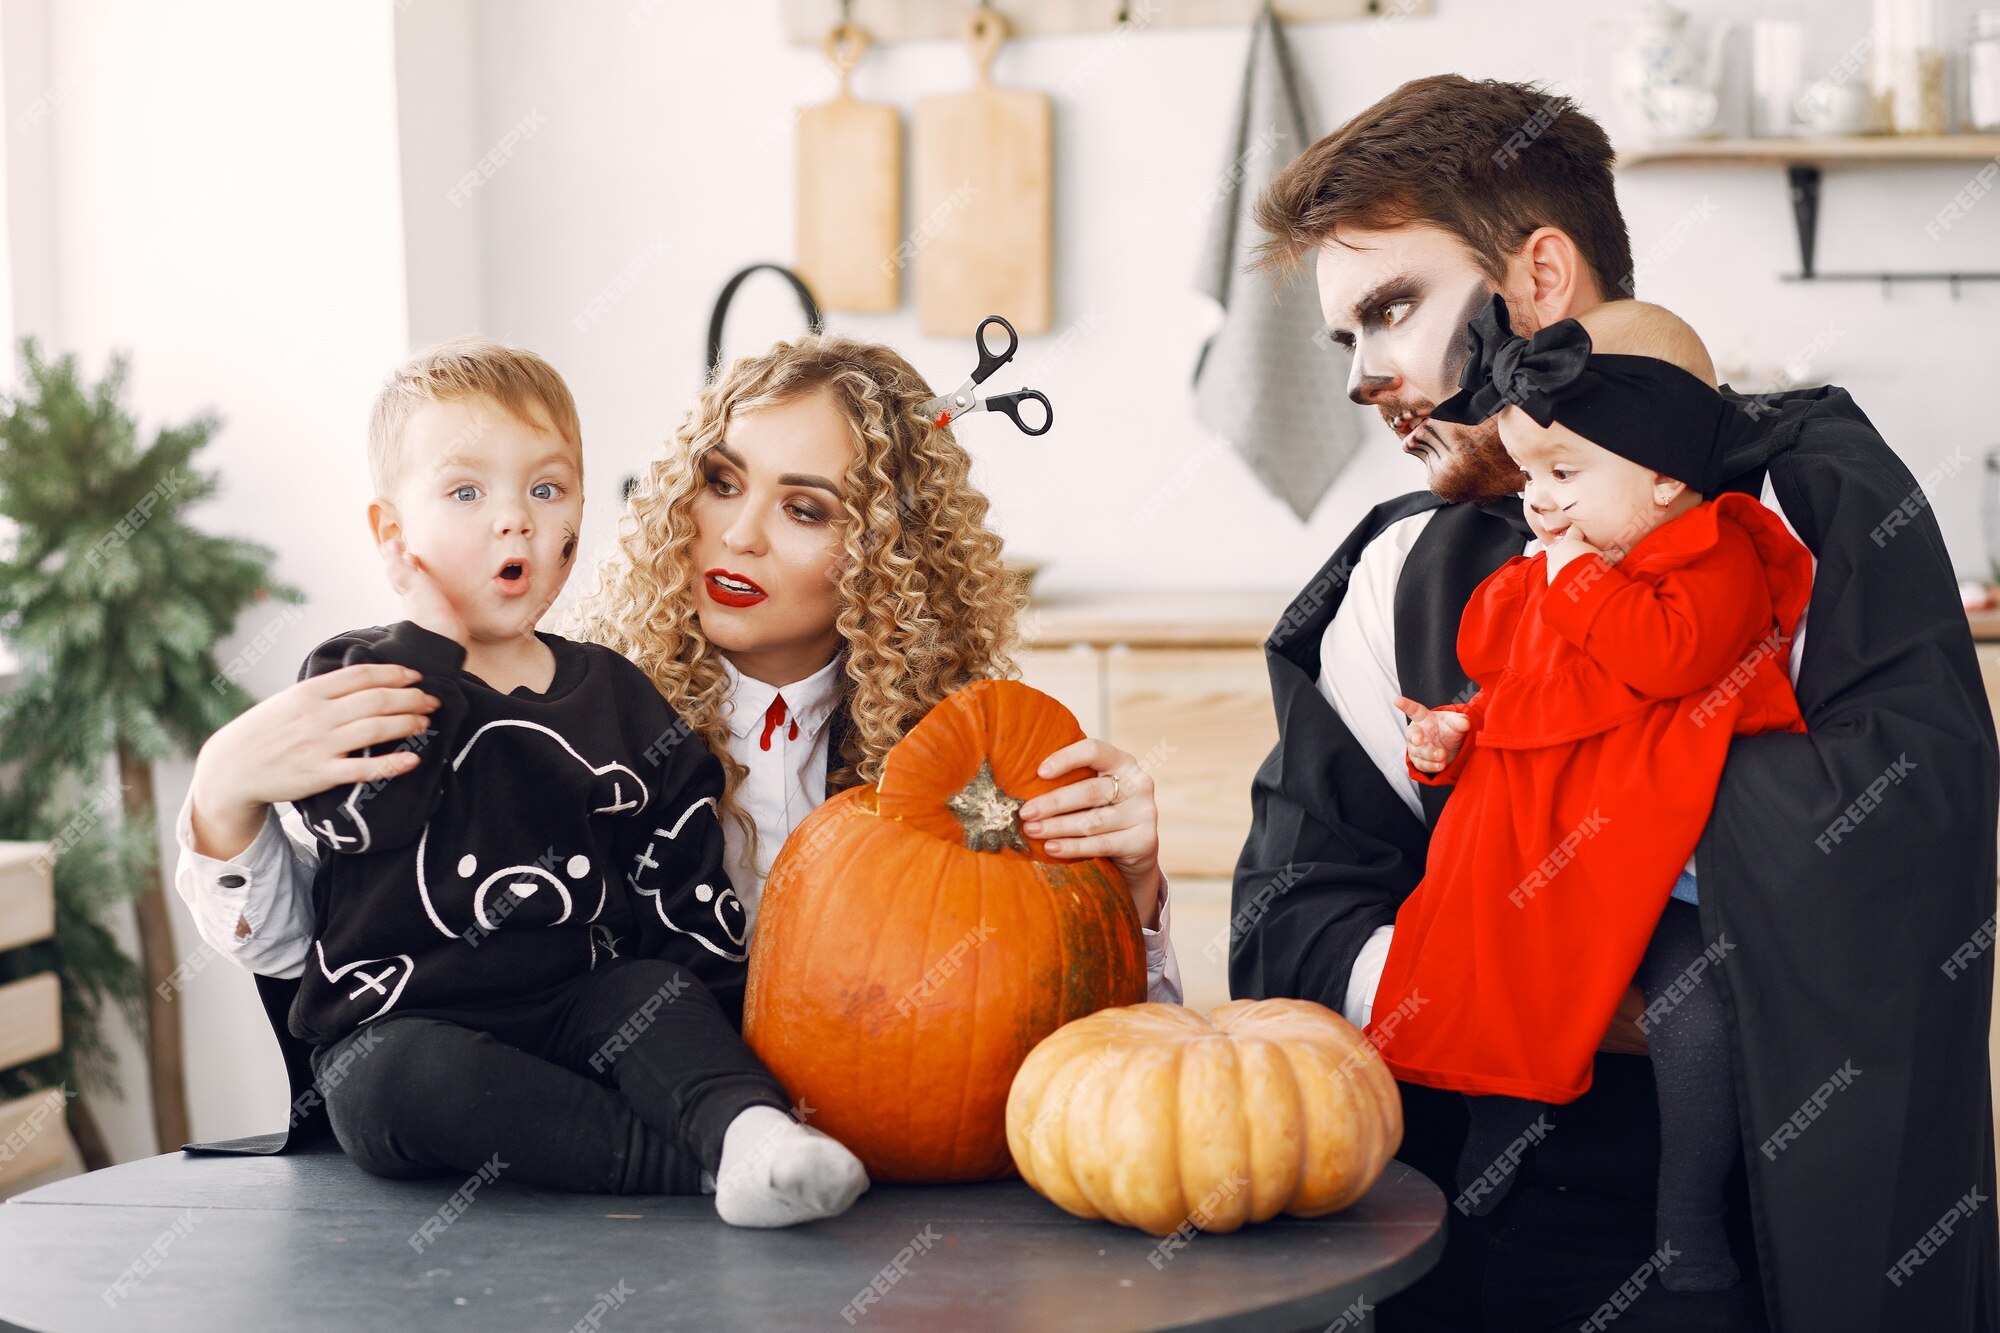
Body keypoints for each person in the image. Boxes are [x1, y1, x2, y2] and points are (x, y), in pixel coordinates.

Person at [1233, 73, 1997, 1331]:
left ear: (1536, 281)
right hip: (1473, 1250)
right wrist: (1511, 980)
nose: (1365, 377)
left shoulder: (1810, 508)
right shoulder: (1393, 575)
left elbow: (1906, 841)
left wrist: (1570, 917)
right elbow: (1290, 917)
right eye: (1346, 339)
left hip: (1765, 1246)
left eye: (1390, 309)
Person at [174, 333, 1183, 1174]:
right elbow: (327, 933)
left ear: (887, 550)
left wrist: (1127, 893)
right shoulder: (575, 706)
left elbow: (1087, 1044)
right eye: (719, 481)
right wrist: (223, 797)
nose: (734, 535)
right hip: (590, 1204)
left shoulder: (963, 763)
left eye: (804, 507)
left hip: (896, 1206)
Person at [273, 337, 870, 1224]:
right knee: (388, 1083)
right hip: (414, 1028)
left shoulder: (619, 693)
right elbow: (369, 817)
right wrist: (434, 639)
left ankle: (749, 1134)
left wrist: (714, 1030)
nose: (512, 519)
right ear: (393, 533)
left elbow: (681, 879)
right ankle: (689, 1169)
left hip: (580, 1008)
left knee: (650, 995)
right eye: (467, 493)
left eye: (544, 490)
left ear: (580, 516)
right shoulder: (359, 673)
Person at [1381, 296, 1813, 1293]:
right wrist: (1453, 730)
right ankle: (1499, 1119)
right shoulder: (1559, 567)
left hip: (1661, 855)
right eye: (1529, 474)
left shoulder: (1709, 558)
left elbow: (1665, 658)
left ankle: (1686, 1212)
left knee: (1691, 1005)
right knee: (1461, 944)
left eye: (1563, 474)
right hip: (1542, 839)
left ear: (1665, 476)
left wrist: (1571, 580)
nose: (1536, 501)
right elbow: (1519, 690)